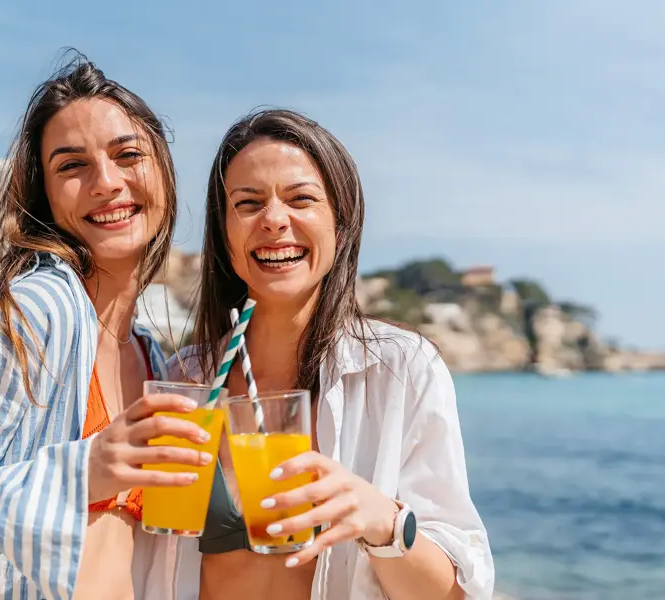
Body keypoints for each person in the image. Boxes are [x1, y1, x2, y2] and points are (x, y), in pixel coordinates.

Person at [0, 55, 212, 600]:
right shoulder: (35, 313)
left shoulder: (151, 352)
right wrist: (82, 474)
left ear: (163, 172)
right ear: (46, 197)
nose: (106, 182)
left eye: (128, 155)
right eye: (71, 166)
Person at [167, 109, 495, 599]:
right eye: (248, 203)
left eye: (301, 199)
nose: (275, 220)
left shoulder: (400, 370)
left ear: (340, 225)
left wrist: (382, 520)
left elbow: (457, 594)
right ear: (225, 236)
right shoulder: (185, 378)